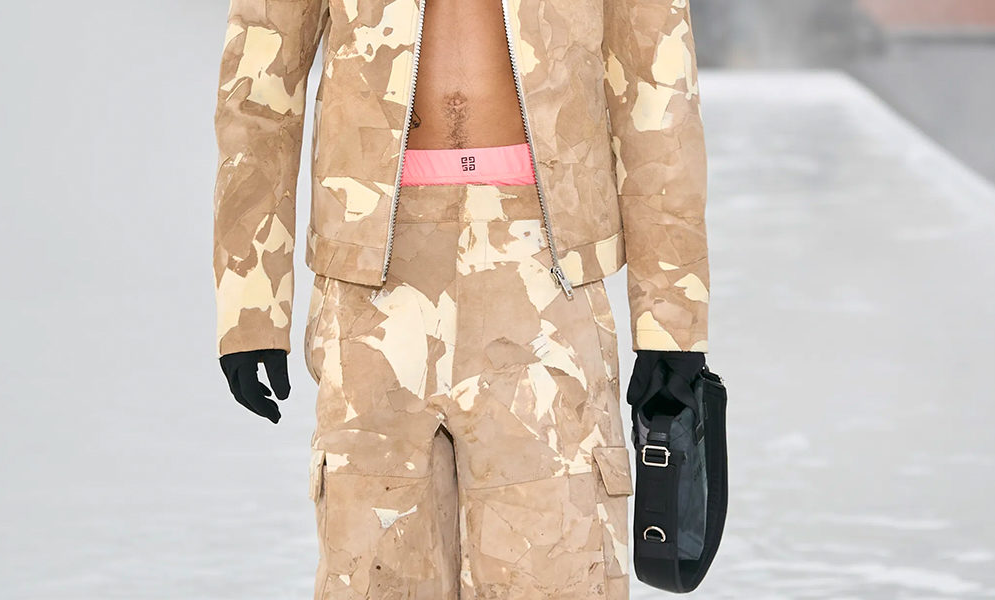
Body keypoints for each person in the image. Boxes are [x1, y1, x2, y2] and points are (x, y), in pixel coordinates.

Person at [212, 0, 710, 596]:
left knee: (556, 570)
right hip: (372, 278)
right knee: (374, 574)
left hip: (545, 270)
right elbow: (260, 87)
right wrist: (252, 306)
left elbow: (657, 88)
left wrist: (671, 322)